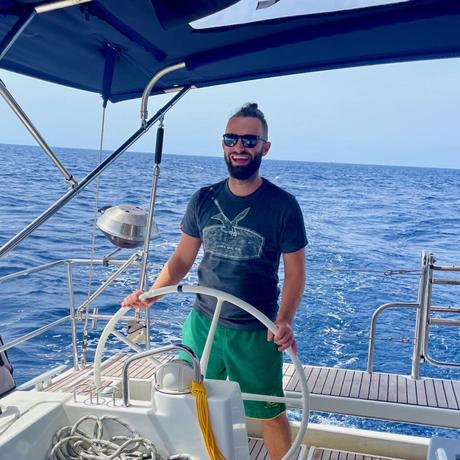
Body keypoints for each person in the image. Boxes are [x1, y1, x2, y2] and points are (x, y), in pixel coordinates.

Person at [122, 103, 307, 460]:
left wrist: (284, 320)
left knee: (268, 412)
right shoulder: (203, 199)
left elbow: (296, 272)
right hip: (201, 325)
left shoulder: (283, 206)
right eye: (231, 138)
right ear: (223, 144)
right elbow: (180, 261)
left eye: (250, 140)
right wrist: (151, 294)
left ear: (264, 147)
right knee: (187, 400)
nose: (240, 146)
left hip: (256, 332)